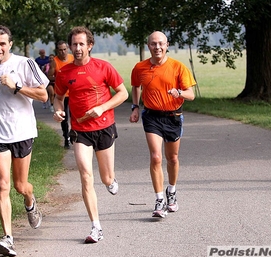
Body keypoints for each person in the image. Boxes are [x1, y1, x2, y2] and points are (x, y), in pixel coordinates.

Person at [0, 25, 48, 257]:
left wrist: (18, 86)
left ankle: (30, 201)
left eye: (3, 43)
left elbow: (44, 94)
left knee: (20, 186)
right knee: (2, 184)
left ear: (10, 44)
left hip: (22, 132)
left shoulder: (25, 64)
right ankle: (8, 238)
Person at [53, 26, 128, 243]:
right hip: (80, 130)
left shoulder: (103, 67)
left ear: (90, 46)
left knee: (105, 178)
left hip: (104, 127)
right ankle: (96, 226)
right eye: (74, 44)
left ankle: (111, 180)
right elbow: (58, 98)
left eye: (81, 44)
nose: (77, 48)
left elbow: (122, 93)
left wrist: (102, 108)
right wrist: (58, 110)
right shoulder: (64, 72)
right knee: (86, 175)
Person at [129, 31, 195, 218]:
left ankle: (171, 191)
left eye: (160, 44)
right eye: (153, 44)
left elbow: (191, 94)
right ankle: (159, 199)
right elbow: (135, 86)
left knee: (172, 158)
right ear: (148, 46)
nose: (157, 47)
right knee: (156, 157)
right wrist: (135, 107)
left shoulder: (178, 67)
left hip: (173, 117)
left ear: (167, 45)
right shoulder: (140, 67)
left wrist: (179, 93)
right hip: (152, 117)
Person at [48, 41, 74, 149]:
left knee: (75, 117)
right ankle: (66, 138)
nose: (63, 52)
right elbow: (49, 76)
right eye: (60, 50)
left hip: (73, 93)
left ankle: (76, 136)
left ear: (67, 48)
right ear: (57, 51)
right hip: (62, 94)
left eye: (64, 49)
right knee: (64, 117)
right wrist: (61, 79)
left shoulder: (73, 58)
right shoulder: (55, 61)